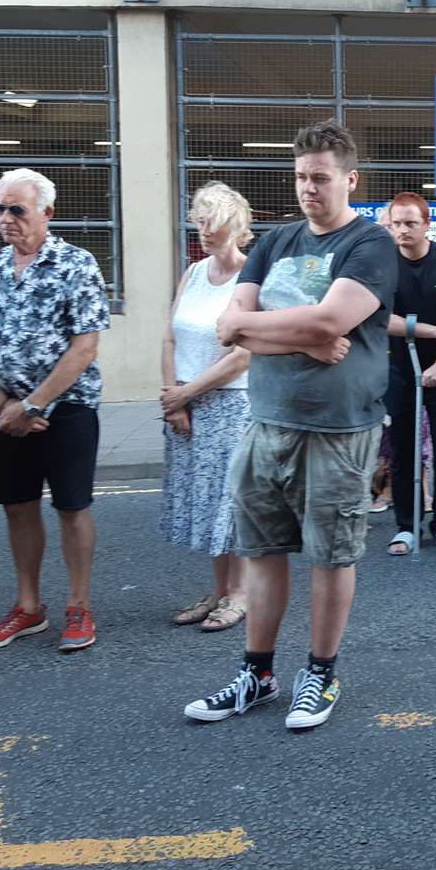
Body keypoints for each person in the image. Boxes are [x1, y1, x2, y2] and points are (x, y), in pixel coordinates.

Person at [184, 120, 395, 730]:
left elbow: (331, 321)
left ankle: (320, 675)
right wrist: (300, 337)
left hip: (338, 427)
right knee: (262, 549)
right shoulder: (276, 241)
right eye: (301, 177)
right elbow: (230, 324)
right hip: (266, 420)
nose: (309, 188)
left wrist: (279, 331)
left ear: (349, 179)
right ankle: (258, 672)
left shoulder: (369, 245)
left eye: (321, 178)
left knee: (330, 554)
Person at [0, 168, 111, 653]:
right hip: (8, 414)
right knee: (17, 507)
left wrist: (33, 404)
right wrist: (3, 405)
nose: (5, 219)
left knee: (72, 508)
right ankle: (28, 607)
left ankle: (78, 606)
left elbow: (84, 347)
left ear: (46, 213)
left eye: (16, 210)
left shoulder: (77, 264)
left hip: (65, 410)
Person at [158, 182, 255, 632]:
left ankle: (240, 593)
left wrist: (186, 392)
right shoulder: (193, 273)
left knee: (229, 501)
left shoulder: (250, 277)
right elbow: (171, 336)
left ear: (236, 226)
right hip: (186, 402)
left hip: (230, 404)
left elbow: (242, 353)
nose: (204, 230)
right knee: (204, 500)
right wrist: (171, 395)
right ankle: (218, 589)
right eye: (199, 220)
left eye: (213, 222)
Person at [382, 191, 436, 555]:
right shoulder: (384, 262)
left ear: (426, 224)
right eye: (396, 224)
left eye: (410, 224)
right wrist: (432, 331)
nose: (402, 231)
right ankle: (406, 525)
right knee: (403, 452)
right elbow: (380, 319)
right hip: (400, 370)